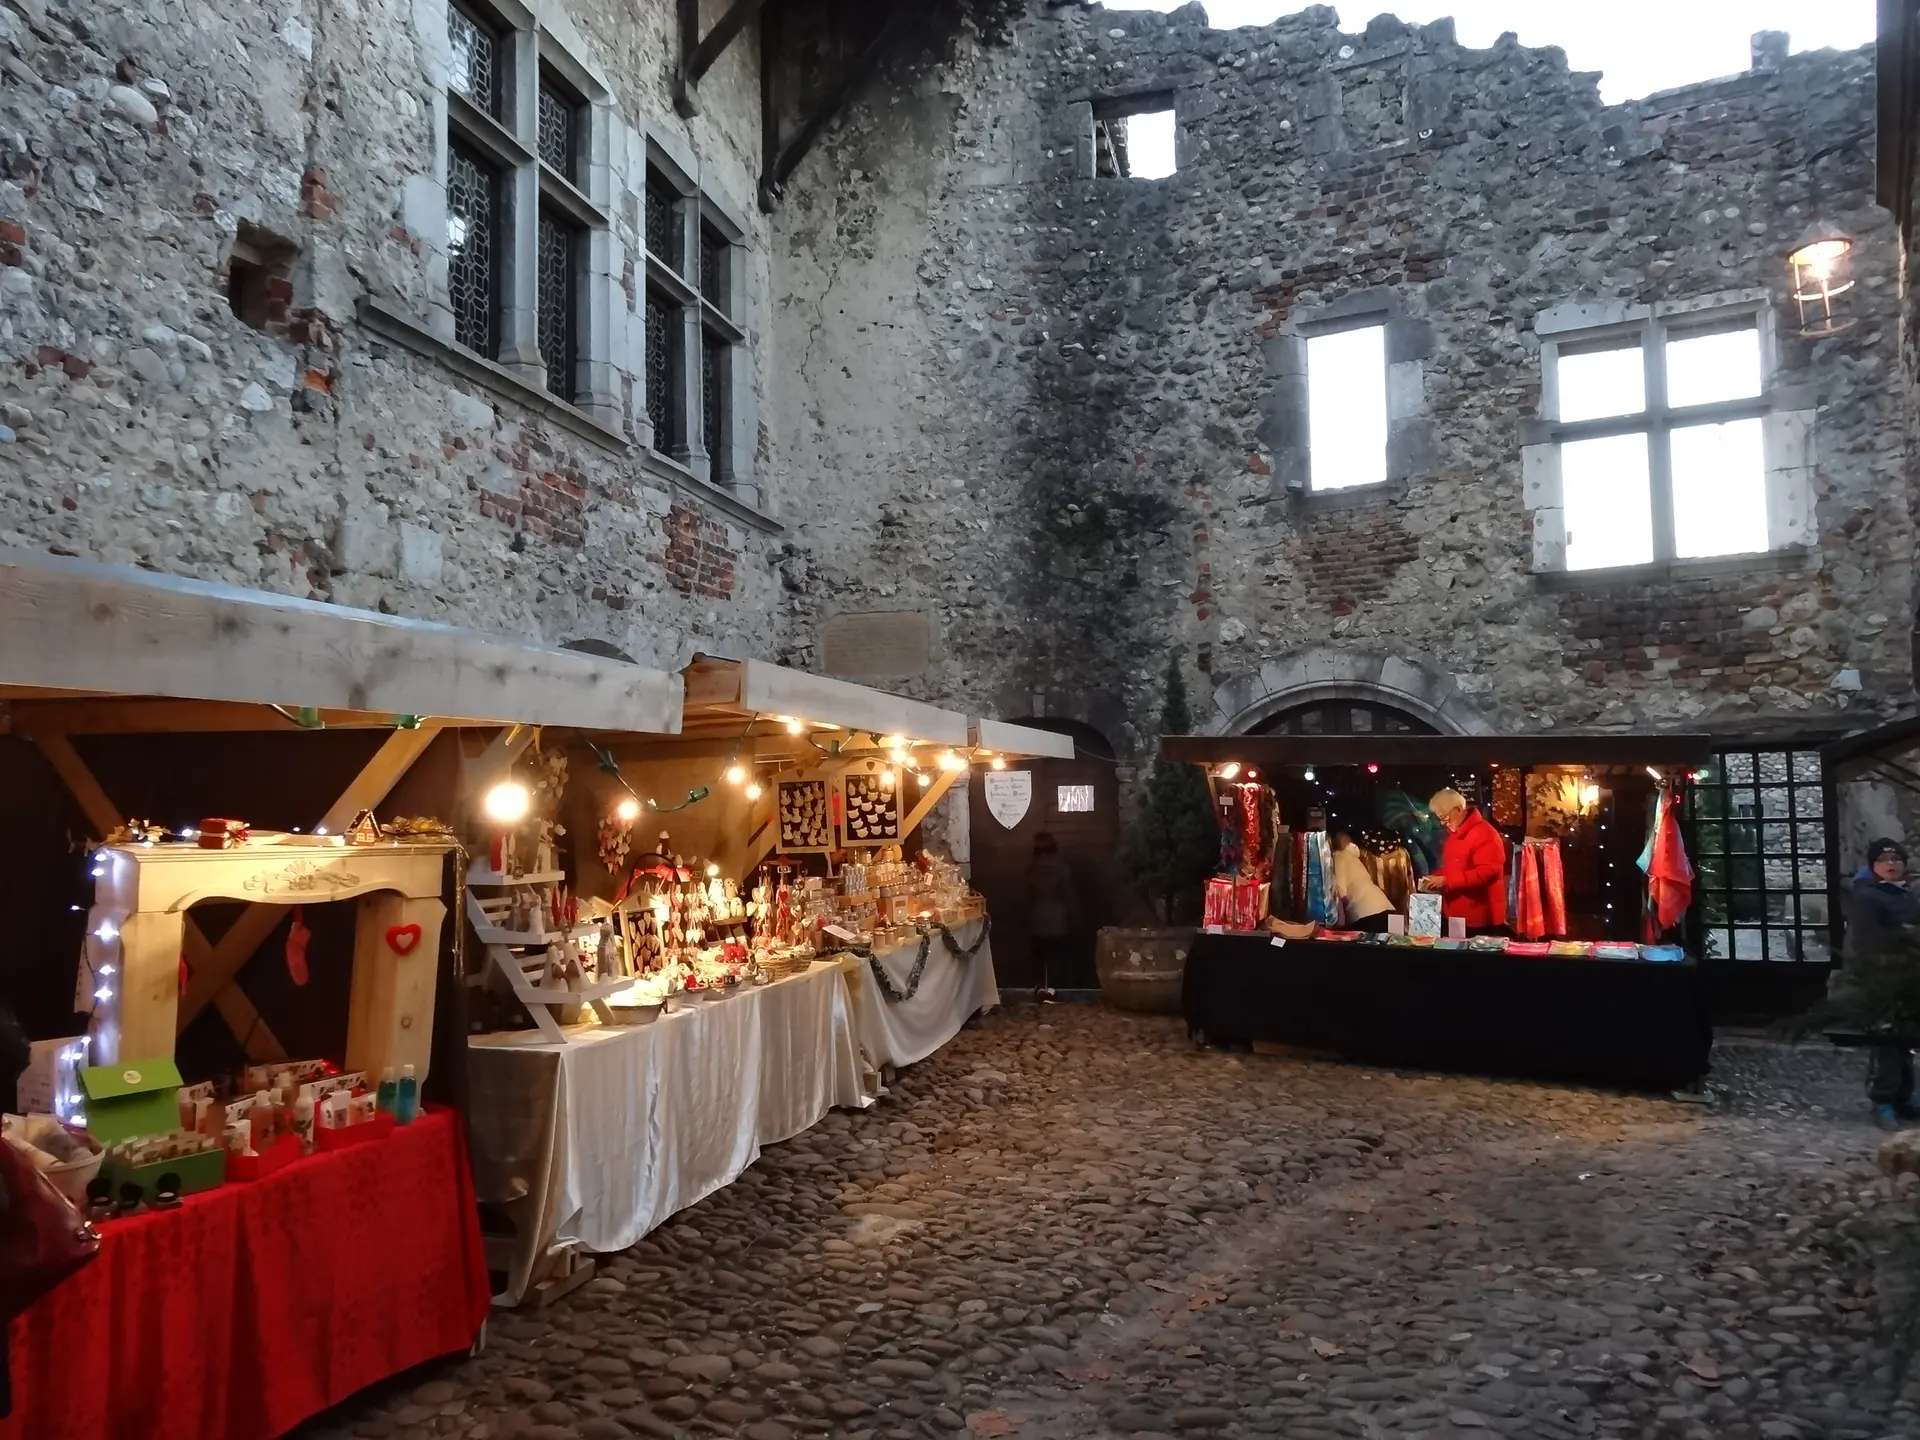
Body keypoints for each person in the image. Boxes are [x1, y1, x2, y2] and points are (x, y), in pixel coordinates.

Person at [1847, 838, 1920, 1127]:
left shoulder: (1906, 895)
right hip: (1882, 976)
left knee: (1906, 1039)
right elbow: (1865, 941)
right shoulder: (1868, 897)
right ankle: (1883, 1099)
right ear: (1874, 866)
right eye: (1884, 860)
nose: (1891, 864)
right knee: (1886, 1039)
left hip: (1907, 975)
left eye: (1896, 859)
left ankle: (1903, 1097)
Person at [1418, 789, 1507, 934]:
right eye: (1440, 818)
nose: (1442, 822)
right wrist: (1434, 879)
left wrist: (1446, 881)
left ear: (1458, 809)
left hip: (1479, 916)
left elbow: (1487, 872)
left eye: (1445, 817)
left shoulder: (1485, 833)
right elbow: (1454, 868)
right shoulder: (1454, 834)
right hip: (1456, 913)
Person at [1026, 832, 1078, 1004]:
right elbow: (1069, 895)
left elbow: (1026, 895)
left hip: (1037, 916)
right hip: (1058, 918)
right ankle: (1053, 990)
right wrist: (1075, 917)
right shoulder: (1062, 868)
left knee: (1039, 956)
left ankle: (1040, 988)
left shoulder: (1031, 869)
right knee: (1057, 956)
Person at [1331, 832, 1394, 933]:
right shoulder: (1354, 858)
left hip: (1365, 912)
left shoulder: (1339, 856)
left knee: (1365, 947)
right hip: (1385, 906)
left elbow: (1341, 890)